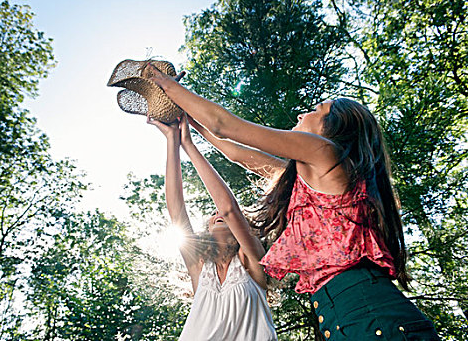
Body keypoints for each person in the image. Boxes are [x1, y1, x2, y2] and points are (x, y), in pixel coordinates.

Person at [145, 65, 440, 340]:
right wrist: (189, 126)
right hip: (345, 318)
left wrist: (166, 85)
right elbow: (235, 153)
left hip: (371, 315)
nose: (302, 114)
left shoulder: (326, 152)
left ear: (332, 127)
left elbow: (224, 125)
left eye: (315, 111)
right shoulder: (309, 178)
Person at [148, 114, 277, 341]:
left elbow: (228, 208)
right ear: (207, 228)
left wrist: (188, 144)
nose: (218, 214)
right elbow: (176, 210)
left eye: (223, 214)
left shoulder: (251, 261)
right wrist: (172, 140)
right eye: (213, 214)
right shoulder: (199, 267)